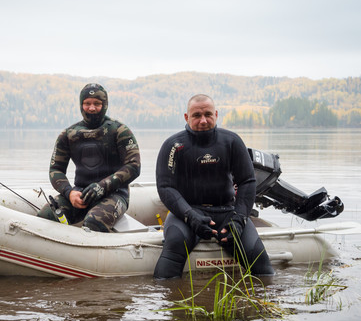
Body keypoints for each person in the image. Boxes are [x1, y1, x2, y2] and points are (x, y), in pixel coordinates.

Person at [153, 94, 274, 279]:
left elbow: (247, 182)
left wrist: (239, 219)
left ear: (216, 114)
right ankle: (171, 305)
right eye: (196, 115)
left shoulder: (231, 141)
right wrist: (190, 216)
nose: (203, 120)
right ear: (187, 117)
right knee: (174, 248)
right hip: (187, 215)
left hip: (227, 212)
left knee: (263, 269)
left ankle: (261, 304)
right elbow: (165, 187)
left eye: (208, 114)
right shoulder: (173, 146)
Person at [37, 83, 141, 232]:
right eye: (87, 103)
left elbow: (134, 166)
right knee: (45, 216)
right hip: (80, 193)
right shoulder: (69, 134)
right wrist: (69, 192)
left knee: (94, 222)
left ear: (105, 105)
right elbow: (56, 169)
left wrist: (101, 187)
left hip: (115, 194)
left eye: (97, 103)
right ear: (81, 105)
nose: (91, 108)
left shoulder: (119, 131)